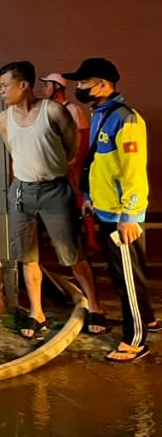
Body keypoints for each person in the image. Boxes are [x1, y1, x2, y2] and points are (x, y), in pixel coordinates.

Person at [0, 61, 104, 339]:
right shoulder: (3, 119)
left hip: (55, 190)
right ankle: (36, 312)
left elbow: (71, 148)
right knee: (27, 256)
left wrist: (52, 169)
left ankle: (95, 305)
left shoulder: (53, 112)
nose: (1, 91)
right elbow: (12, 150)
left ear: (23, 85)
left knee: (71, 252)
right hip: (21, 192)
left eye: (5, 85)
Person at [63, 58, 154, 362]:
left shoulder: (125, 119)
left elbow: (133, 173)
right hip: (106, 210)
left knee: (128, 278)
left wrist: (129, 216)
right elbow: (99, 162)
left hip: (120, 215)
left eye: (84, 82)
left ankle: (136, 340)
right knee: (126, 275)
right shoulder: (103, 113)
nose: (79, 87)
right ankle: (148, 319)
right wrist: (89, 196)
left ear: (102, 84)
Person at [41, 72, 100, 252]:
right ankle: (60, 239)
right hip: (53, 165)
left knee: (80, 199)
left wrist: (78, 162)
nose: (44, 89)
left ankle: (90, 238)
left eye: (47, 85)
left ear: (57, 87)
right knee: (56, 202)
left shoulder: (74, 110)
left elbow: (85, 135)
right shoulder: (44, 108)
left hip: (71, 163)